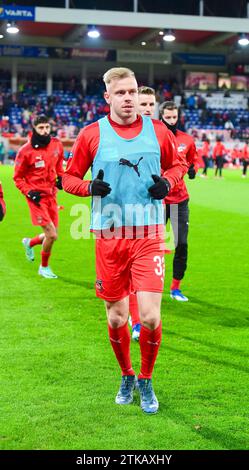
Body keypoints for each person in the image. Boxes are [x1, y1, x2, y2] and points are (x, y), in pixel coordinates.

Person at [63, 67, 187, 414]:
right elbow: (69, 177)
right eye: (121, 93)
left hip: (149, 234)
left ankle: (146, 380)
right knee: (117, 317)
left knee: (148, 317)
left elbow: (178, 167)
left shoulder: (158, 130)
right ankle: (127, 374)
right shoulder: (91, 134)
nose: (129, 98)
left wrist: (168, 182)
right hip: (110, 235)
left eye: (132, 92)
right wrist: (89, 187)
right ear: (108, 97)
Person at [13, 115, 64, 278]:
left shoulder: (56, 144)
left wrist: (60, 179)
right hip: (36, 197)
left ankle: (30, 242)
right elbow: (17, 178)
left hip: (51, 194)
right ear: (34, 128)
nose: (45, 131)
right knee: (52, 235)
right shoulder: (25, 151)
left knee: (53, 234)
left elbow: (59, 167)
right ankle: (44, 267)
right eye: (41, 128)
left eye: (47, 127)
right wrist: (28, 192)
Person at [160, 101, 199, 302]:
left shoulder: (187, 140)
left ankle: (176, 287)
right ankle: (150, 286)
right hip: (158, 201)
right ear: (161, 117)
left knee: (181, 243)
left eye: (174, 117)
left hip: (180, 200)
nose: (172, 121)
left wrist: (193, 170)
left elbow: (195, 160)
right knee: (152, 245)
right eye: (168, 118)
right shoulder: (153, 138)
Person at [128, 86, 157, 341]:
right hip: (121, 217)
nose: (147, 109)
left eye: (151, 104)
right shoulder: (121, 135)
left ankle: (140, 319)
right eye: (143, 104)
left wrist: (168, 183)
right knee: (130, 276)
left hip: (157, 213)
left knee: (146, 275)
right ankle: (136, 320)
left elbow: (177, 167)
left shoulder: (160, 135)